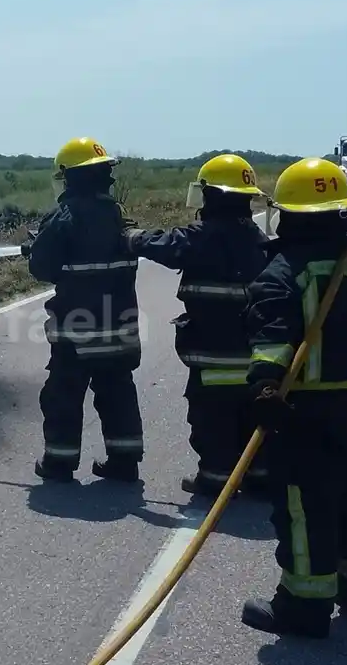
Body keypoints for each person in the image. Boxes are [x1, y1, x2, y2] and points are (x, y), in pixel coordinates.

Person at [239, 157, 347, 638]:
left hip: (305, 407)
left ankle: (304, 607)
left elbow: (272, 338)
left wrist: (265, 386)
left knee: (304, 502)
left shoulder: (284, 272)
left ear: (291, 215)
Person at [121, 154, 271, 500]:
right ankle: (259, 478)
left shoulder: (202, 237)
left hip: (214, 356)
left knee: (213, 421)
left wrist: (130, 236)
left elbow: (165, 246)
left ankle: (214, 480)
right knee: (254, 419)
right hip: (256, 358)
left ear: (211, 195)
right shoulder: (260, 240)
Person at [23, 137, 144, 484]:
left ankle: (59, 464)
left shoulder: (63, 218)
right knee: (117, 393)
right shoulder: (120, 216)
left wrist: (35, 247)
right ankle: (124, 463)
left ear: (69, 176)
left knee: (63, 395)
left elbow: (42, 268)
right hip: (119, 327)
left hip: (76, 333)